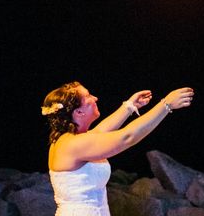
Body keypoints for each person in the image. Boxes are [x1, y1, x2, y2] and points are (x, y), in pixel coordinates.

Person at [41, 81, 194, 216]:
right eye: (88, 97)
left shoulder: (71, 139)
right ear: (78, 112)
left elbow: (101, 130)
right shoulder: (73, 144)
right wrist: (165, 105)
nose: (95, 98)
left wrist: (129, 106)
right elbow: (127, 137)